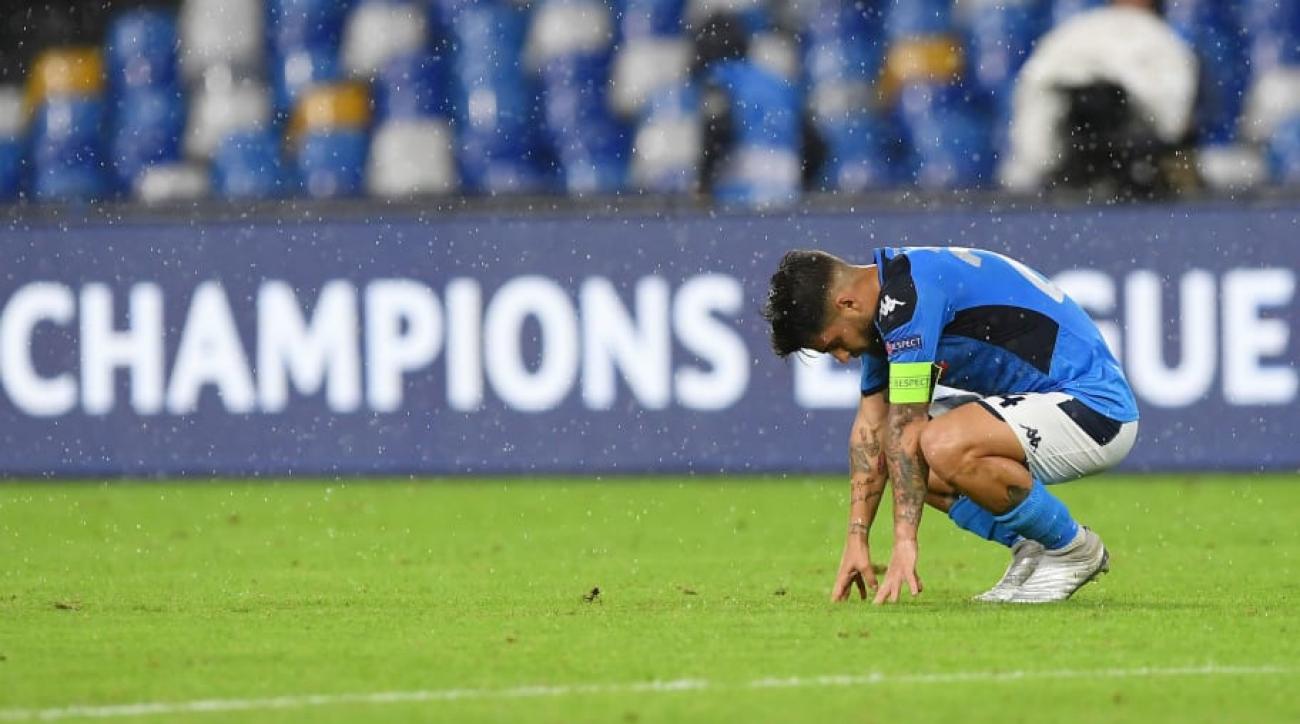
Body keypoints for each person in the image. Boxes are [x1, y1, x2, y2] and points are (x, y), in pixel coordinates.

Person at [761, 246, 1139, 604]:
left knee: (938, 444)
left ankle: (1072, 549)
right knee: (903, 453)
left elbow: (907, 428)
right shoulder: (886, 304)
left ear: (847, 303)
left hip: (1096, 410)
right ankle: (1033, 546)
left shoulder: (908, 300)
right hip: (1050, 404)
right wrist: (856, 539)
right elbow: (872, 431)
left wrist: (904, 542)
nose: (843, 358)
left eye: (833, 344)